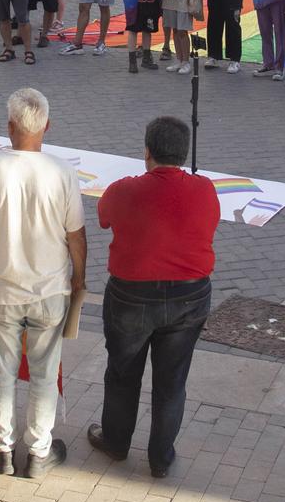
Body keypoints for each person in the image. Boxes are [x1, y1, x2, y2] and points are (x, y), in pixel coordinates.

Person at [0, 88, 86, 478]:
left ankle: (2, 449)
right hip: (50, 289)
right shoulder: (63, 171)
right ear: (46, 126)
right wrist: (79, 279)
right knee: (43, 373)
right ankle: (38, 451)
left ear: (10, 127)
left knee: (2, 371)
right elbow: (76, 236)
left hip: (2, 286)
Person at [88, 115, 217, 479]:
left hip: (131, 295)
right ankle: (160, 456)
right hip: (190, 296)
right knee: (172, 380)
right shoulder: (204, 189)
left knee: (122, 373)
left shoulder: (124, 189)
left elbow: (103, 218)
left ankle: (115, 440)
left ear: (147, 152)